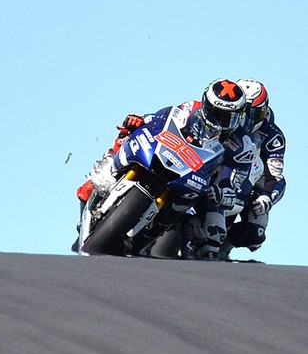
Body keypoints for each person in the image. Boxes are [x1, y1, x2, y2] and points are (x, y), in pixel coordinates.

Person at [73, 79, 247, 254]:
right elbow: (161, 119)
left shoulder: (238, 144)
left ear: (239, 116)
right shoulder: (189, 109)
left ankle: (168, 245)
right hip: (168, 158)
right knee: (115, 153)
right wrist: (139, 121)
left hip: (200, 183)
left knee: (211, 233)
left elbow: (235, 182)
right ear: (205, 105)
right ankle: (89, 206)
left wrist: (223, 193)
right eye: (215, 112)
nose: (221, 120)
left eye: (228, 116)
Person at [216, 78, 286, 257]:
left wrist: (266, 197)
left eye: (254, 113)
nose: (246, 118)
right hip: (215, 168)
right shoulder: (221, 117)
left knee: (255, 234)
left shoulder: (273, 137)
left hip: (248, 184)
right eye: (243, 111)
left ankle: (224, 248)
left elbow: (276, 177)